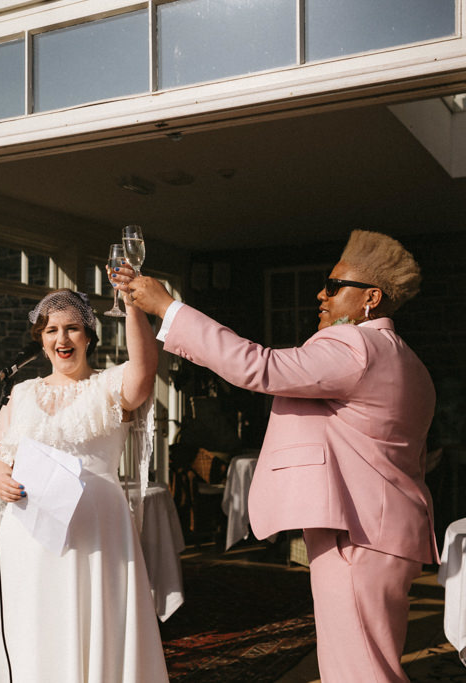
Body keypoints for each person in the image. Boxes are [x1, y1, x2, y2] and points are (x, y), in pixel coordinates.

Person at [115, 230, 438, 683]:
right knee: (374, 666)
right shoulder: (409, 361)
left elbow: (259, 367)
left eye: (333, 285)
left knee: (358, 673)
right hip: (392, 533)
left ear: (371, 298)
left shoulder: (353, 346)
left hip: (357, 537)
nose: (320, 295)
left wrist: (169, 308)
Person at [0, 288, 169, 682]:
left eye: (72, 329)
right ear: (41, 340)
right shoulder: (22, 392)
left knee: (93, 622)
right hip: (29, 535)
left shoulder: (109, 385)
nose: (61, 339)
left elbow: (145, 369)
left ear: (89, 337)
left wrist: (131, 304)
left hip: (96, 532)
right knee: (34, 623)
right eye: (51, 330)